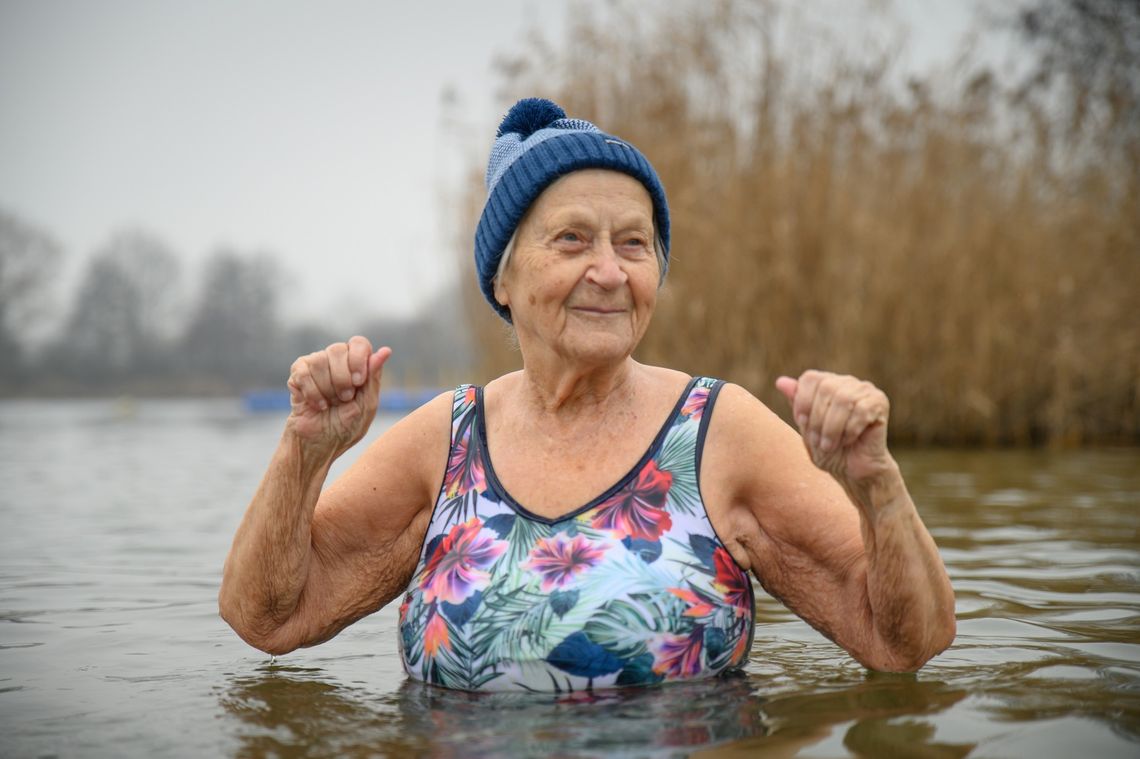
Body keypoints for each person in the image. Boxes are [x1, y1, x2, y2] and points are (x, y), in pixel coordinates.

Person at [219, 98, 955, 692]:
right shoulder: (446, 440)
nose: (609, 270)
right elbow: (267, 618)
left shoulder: (718, 430)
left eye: (634, 244)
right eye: (572, 239)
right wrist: (305, 451)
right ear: (503, 280)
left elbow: (903, 642)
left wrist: (876, 486)